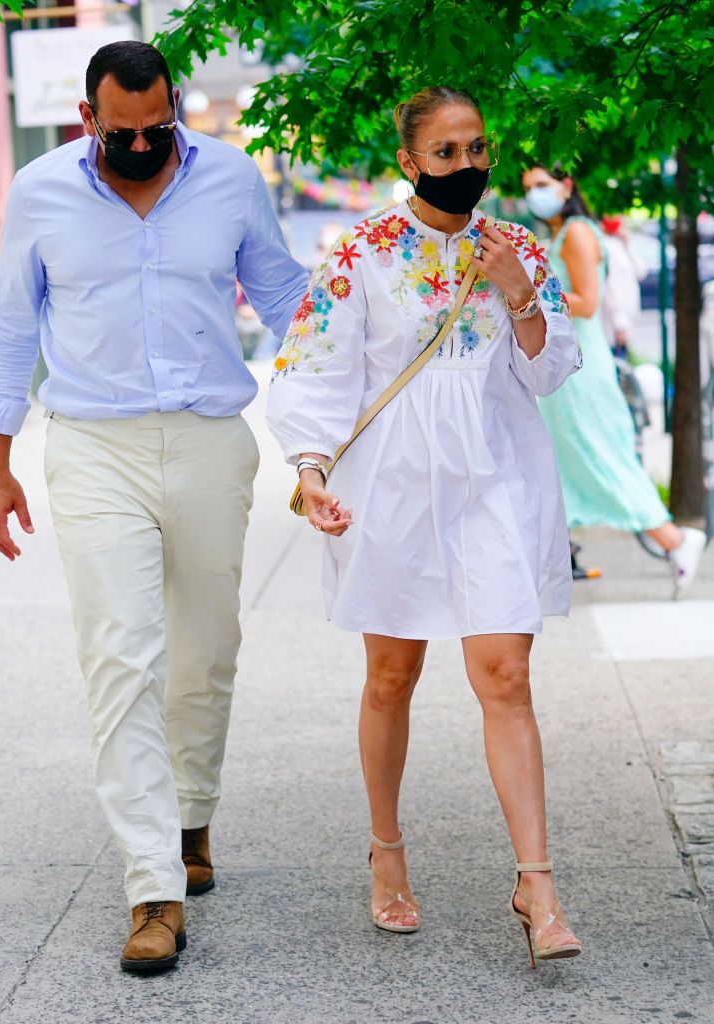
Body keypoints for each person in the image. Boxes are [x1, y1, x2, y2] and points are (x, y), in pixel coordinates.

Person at [0, 41, 308, 973]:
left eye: (160, 126)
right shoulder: (42, 192)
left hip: (207, 440)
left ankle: (192, 819)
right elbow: (7, 328)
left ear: (175, 109)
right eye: (126, 132)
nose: (146, 143)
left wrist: (340, 420)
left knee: (206, 652)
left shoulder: (232, 180)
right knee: (121, 659)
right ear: (90, 120)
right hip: (92, 447)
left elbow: (286, 299)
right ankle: (152, 886)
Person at [266, 86, 583, 967]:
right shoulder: (362, 250)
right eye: (446, 154)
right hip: (395, 487)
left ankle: (537, 884)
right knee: (390, 677)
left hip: (494, 478)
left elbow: (553, 371)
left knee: (506, 674)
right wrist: (311, 469)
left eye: (477, 149)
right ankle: (386, 852)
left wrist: (521, 293)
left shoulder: (515, 244)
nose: (467, 167)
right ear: (409, 162)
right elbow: (312, 367)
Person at [522, 165, 705, 594]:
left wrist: (524, 291)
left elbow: (586, 302)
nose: (535, 194)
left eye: (542, 186)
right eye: (528, 187)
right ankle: (546, 564)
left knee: (601, 458)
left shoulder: (578, 234)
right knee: (561, 463)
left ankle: (675, 540)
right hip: (562, 363)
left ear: (567, 186)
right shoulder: (559, 234)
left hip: (579, 367)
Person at [600, 215, 647, 360]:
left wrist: (628, 245)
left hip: (624, 320)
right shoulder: (606, 247)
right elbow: (611, 288)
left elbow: (641, 271)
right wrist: (619, 323)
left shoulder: (622, 245)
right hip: (615, 324)